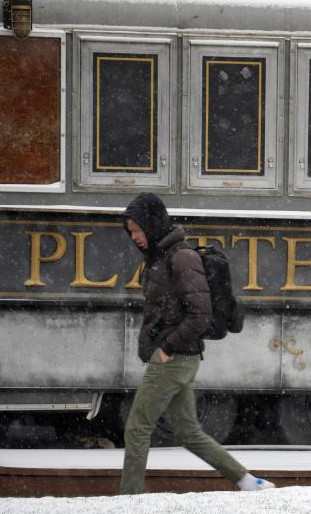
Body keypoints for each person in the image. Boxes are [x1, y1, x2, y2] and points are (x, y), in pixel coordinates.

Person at [119, 192, 274, 494]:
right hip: (180, 357)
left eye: (137, 230)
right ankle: (248, 481)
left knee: (137, 428)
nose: (134, 237)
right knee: (187, 431)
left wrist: (166, 348)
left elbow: (200, 315)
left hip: (174, 357)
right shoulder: (161, 258)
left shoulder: (182, 257)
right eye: (130, 232)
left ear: (151, 225)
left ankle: (129, 500)